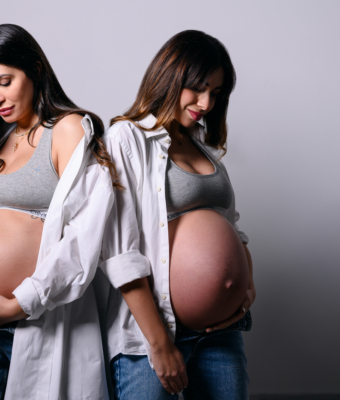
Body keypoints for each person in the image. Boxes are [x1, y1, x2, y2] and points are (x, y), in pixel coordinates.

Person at [0, 24, 140, 400]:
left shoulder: (67, 129)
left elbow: (86, 235)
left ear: (34, 69)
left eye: (4, 81)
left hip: (36, 317)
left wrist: (21, 302)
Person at [102, 30, 256, 399]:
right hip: (152, 335)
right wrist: (160, 345)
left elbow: (231, 229)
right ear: (170, 76)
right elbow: (121, 253)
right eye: (198, 88)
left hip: (221, 332)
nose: (206, 103)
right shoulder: (128, 138)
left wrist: (245, 286)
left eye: (216, 93)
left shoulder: (203, 147)